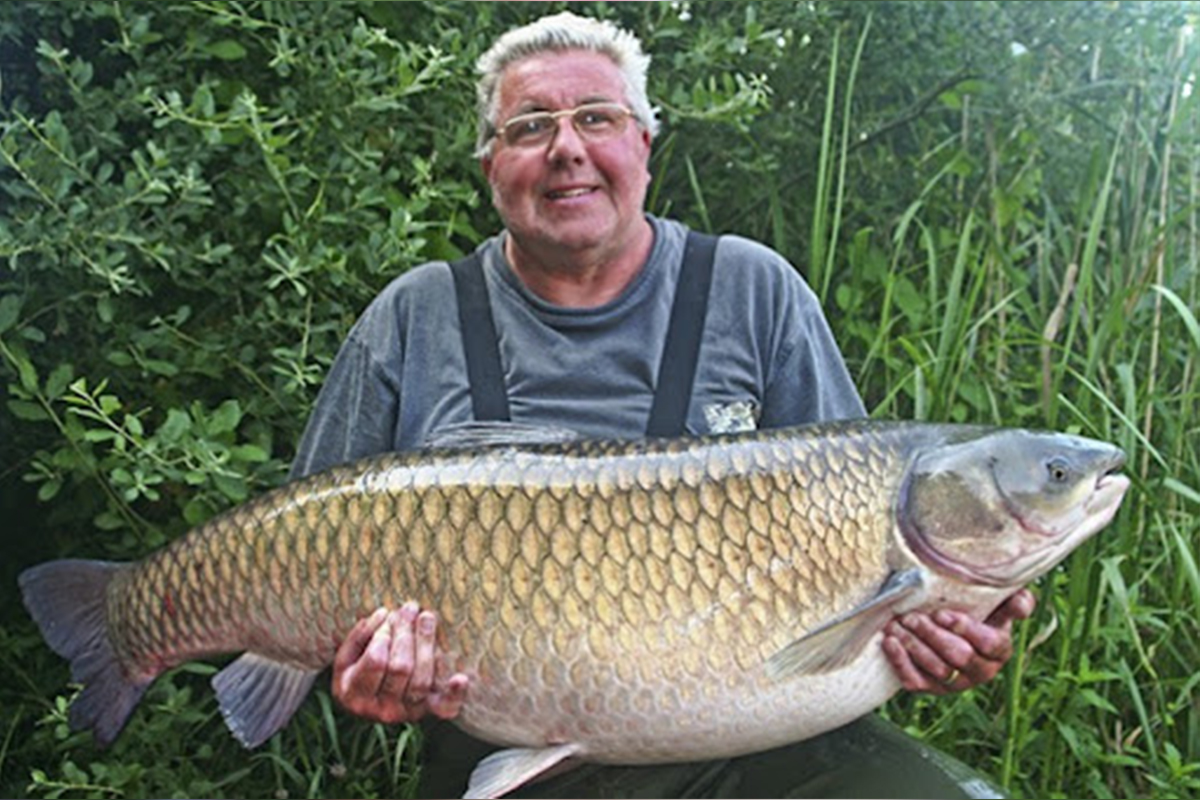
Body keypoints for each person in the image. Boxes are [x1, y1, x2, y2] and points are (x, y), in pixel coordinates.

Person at [289, 11, 1035, 799]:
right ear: (490, 162)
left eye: (597, 118)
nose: (567, 147)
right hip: (505, 751)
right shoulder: (418, 316)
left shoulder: (753, 291)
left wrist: (951, 642)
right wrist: (368, 664)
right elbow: (303, 540)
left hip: (761, 741)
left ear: (644, 143)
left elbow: (865, 534)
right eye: (530, 125)